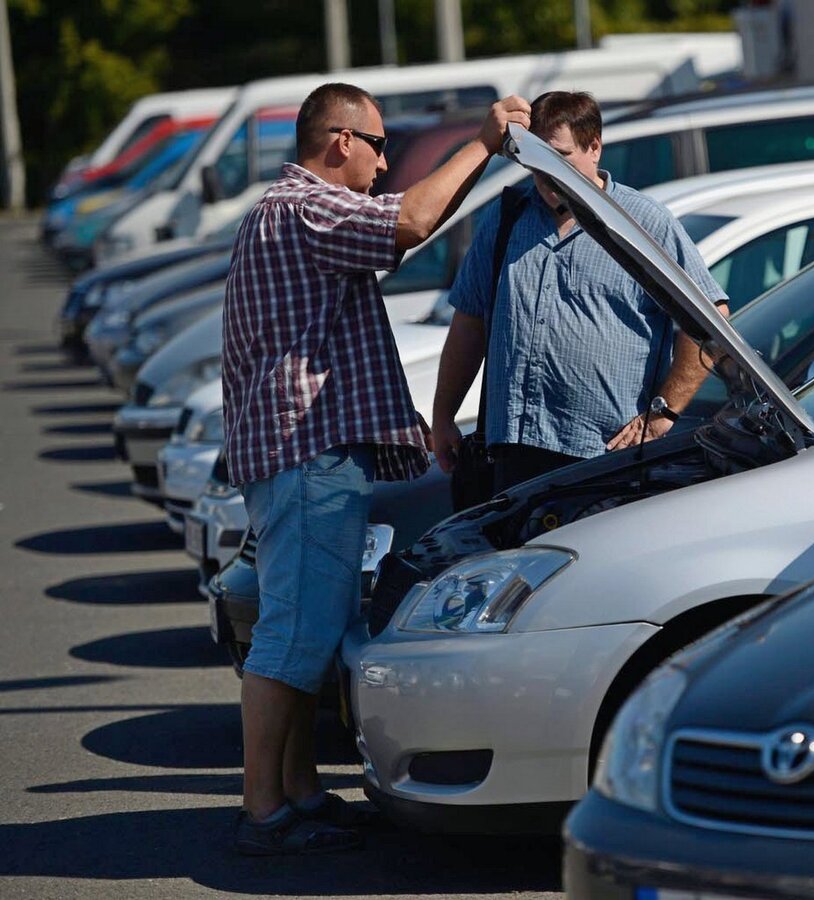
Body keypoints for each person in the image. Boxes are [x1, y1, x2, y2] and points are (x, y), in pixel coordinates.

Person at [222, 82, 530, 855]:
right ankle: (264, 811)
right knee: (294, 636)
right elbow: (415, 221)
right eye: (380, 145)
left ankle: (297, 793)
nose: (387, 160)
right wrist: (485, 142)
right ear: (339, 143)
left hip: (302, 454)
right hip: (307, 455)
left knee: (309, 633)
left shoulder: (288, 212)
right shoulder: (307, 206)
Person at [431, 91, 728, 493]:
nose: (546, 173)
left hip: (605, 458)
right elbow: (471, 319)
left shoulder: (643, 224)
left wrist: (662, 414)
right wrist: (444, 414)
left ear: (594, 148)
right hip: (515, 453)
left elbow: (711, 322)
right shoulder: (506, 217)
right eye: (535, 158)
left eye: (561, 157)